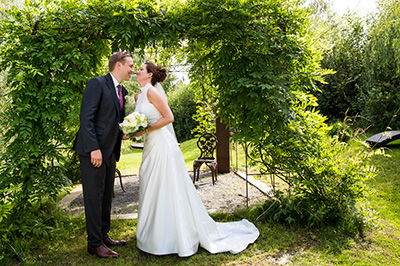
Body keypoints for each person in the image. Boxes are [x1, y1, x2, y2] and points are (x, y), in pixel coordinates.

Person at [133, 62, 259, 257]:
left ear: (149, 75)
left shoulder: (152, 93)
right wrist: (133, 131)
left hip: (162, 146)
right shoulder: (139, 96)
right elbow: (143, 120)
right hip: (150, 145)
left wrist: (145, 130)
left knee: (165, 186)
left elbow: (169, 117)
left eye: (141, 69)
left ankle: (171, 237)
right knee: (151, 185)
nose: (137, 71)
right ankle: (151, 235)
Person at [73, 51, 134, 258]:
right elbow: (86, 118)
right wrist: (94, 148)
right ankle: (94, 243)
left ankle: (103, 235)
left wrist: (122, 132)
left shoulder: (120, 90)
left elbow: (111, 119)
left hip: (110, 150)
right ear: (118, 65)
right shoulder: (97, 84)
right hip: (94, 151)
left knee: (106, 196)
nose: (132, 70)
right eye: (130, 66)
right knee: (94, 196)